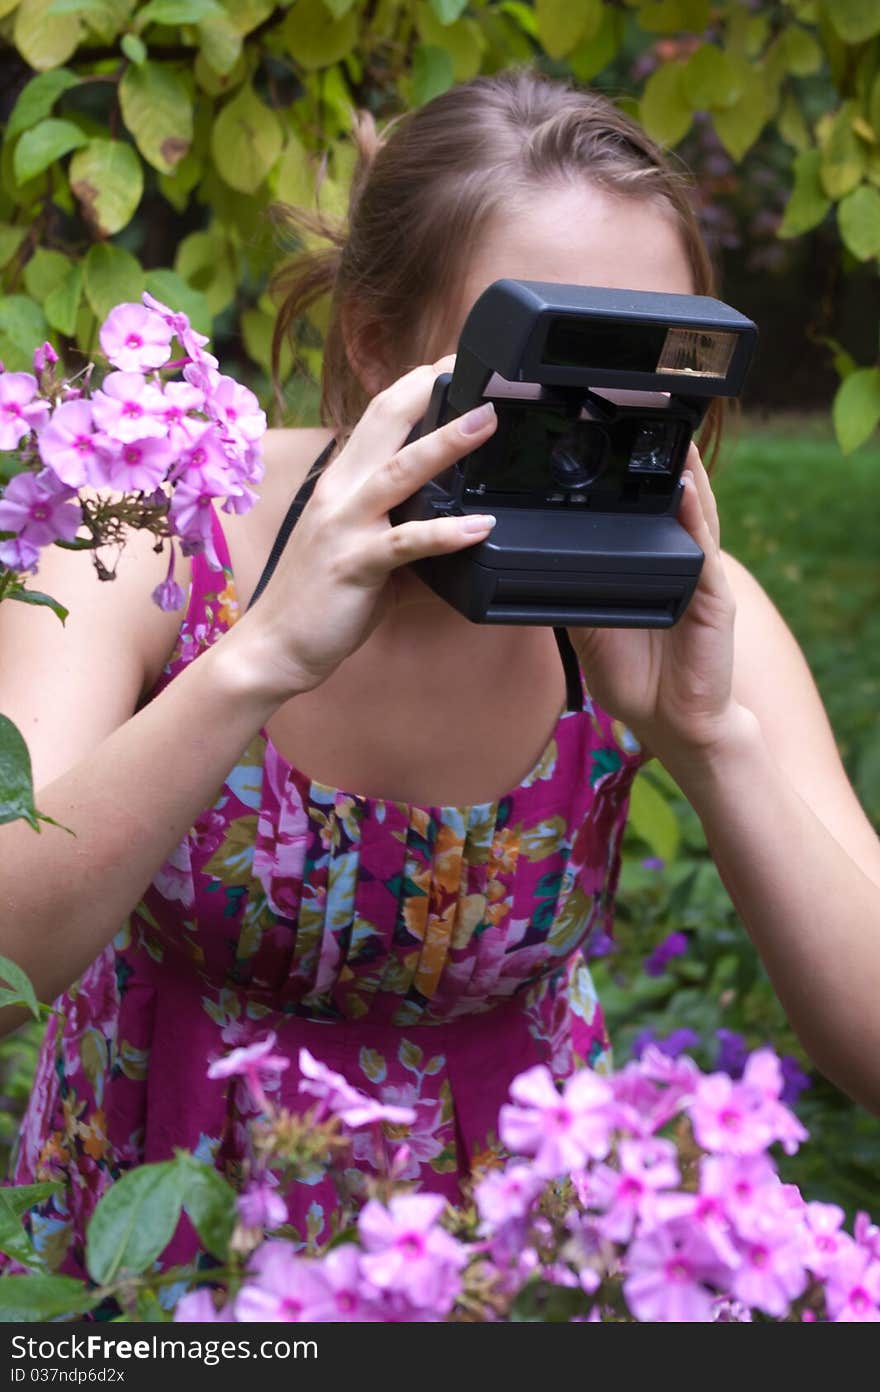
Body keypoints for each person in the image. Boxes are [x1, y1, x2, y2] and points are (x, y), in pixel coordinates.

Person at [1, 68, 879, 1282]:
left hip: (492, 1276)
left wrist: (711, 740)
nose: (593, 427)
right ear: (376, 342)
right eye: (557, 369)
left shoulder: (677, 613)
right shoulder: (154, 527)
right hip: (147, 1251)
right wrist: (251, 664)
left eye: (650, 385)